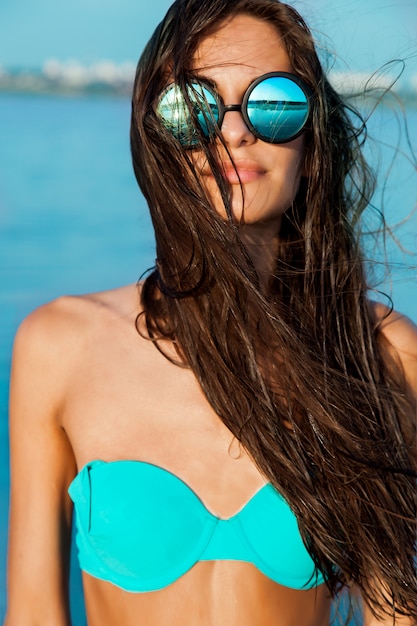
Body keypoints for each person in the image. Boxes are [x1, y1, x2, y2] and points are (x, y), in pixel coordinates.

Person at [4, 0, 417, 624]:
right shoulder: (60, 345)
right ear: (157, 135)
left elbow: (395, 612)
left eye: (273, 102)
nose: (233, 130)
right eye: (194, 106)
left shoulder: (379, 352)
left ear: (313, 135)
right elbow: (33, 611)